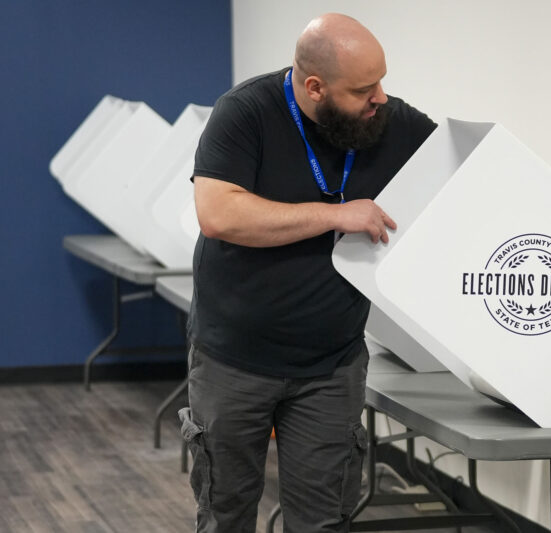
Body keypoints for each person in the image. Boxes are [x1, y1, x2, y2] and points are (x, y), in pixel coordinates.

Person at [177, 13, 436, 533]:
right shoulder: (246, 112)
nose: (380, 97)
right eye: (364, 88)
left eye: (382, 81)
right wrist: (337, 215)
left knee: (321, 522)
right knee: (226, 516)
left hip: (331, 364)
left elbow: (465, 172)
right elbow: (220, 214)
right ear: (314, 87)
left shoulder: (387, 118)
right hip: (234, 359)